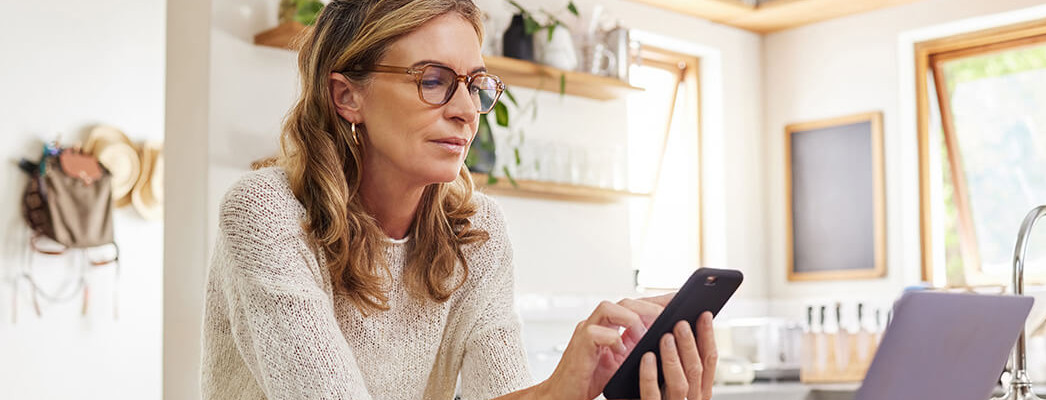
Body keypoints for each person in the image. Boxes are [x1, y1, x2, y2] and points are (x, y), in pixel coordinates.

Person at [200, 0, 718, 399]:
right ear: (346, 96)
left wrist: (588, 385)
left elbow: (501, 392)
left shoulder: (475, 231)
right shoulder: (266, 213)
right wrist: (555, 390)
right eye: (433, 80)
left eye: (474, 85)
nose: (467, 110)